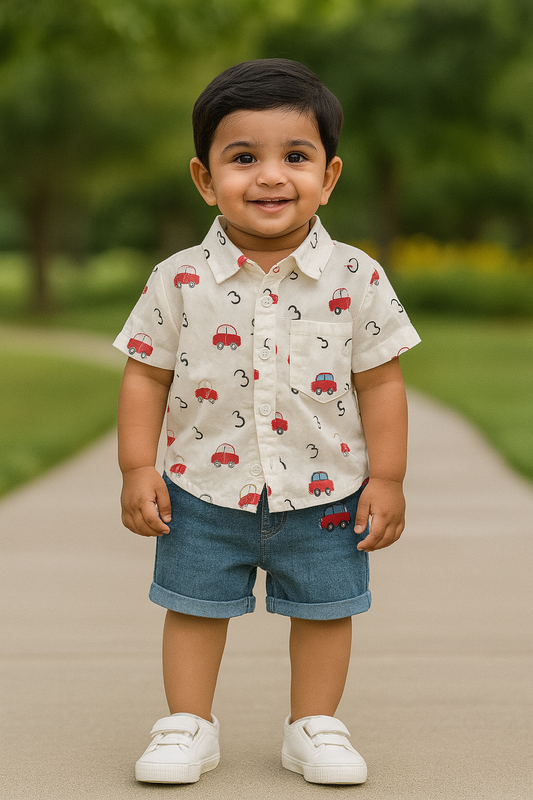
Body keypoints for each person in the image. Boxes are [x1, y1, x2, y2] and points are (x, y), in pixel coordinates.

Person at [114, 58, 420, 786]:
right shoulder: (177, 278)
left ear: (330, 175)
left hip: (325, 491)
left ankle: (313, 726)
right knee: (192, 606)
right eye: (242, 158)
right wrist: (134, 468)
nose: (270, 176)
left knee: (323, 609)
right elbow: (145, 375)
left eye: (295, 157)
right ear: (203, 177)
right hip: (201, 489)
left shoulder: (357, 277)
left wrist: (388, 476)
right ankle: (188, 723)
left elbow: (380, 382)